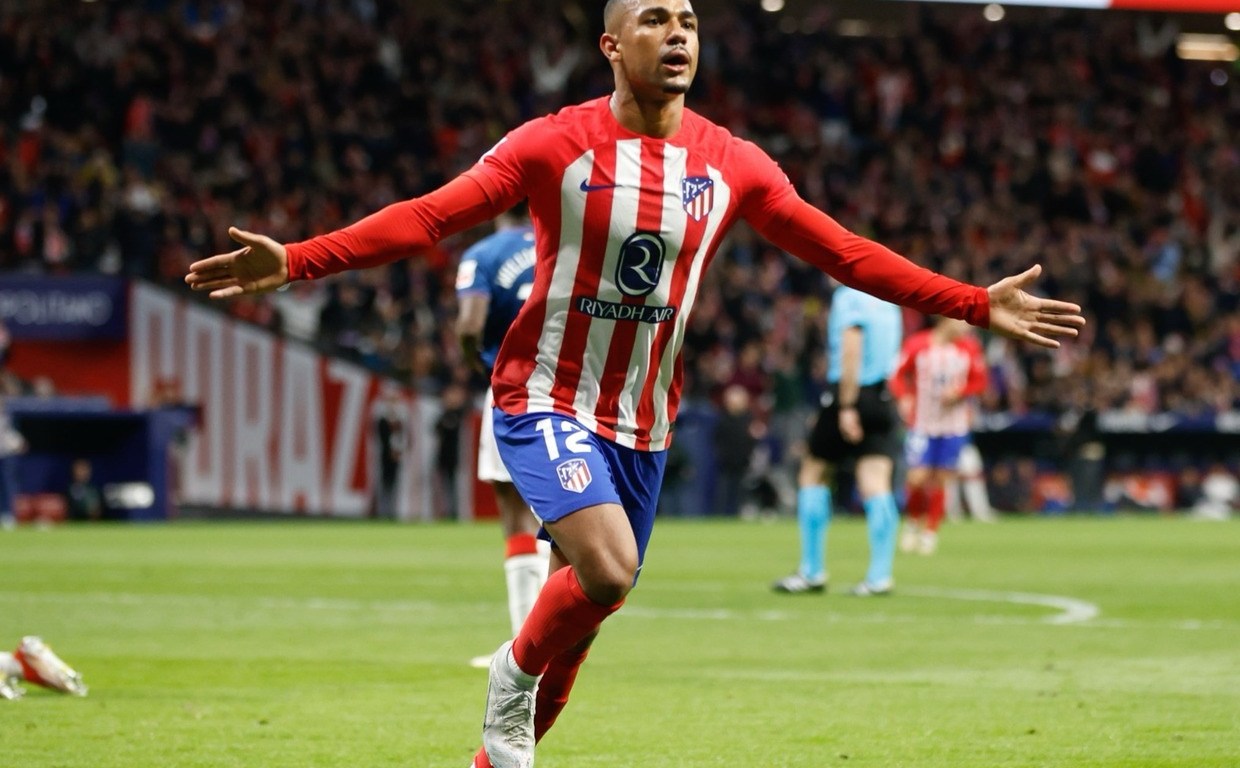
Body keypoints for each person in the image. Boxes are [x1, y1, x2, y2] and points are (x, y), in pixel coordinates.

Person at [185, 1, 1084, 764]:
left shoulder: (733, 164)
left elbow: (844, 252)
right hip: (543, 395)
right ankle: (510, 669)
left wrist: (974, 303)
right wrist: (298, 260)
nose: (679, 32)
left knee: (583, 630)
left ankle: (496, 753)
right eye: (656, 19)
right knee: (608, 572)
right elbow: (428, 218)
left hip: (643, 423)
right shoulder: (553, 144)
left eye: (688, 19)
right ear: (613, 45)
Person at [455, 209, 552, 666]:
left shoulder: (483, 254)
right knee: (560, 516)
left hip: (513, 387)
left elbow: (470, 325)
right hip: (570, 388)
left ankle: (526, 649)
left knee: (515, 515)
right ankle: (555, 639)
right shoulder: (562, 243)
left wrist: (476, 363)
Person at [772, 284, 903, 597]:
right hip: (883, 397)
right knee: (876, 483)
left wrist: (846, 405)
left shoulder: (849, 298)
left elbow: (851, 348)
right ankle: (880, 576)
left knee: (813, 473)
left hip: (851, 392)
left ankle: (812, 570)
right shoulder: (889, 300)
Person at [890, 317, 989, 555]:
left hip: (953, 426)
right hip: (922, 424)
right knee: (917, 477)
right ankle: (913, 522)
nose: (967, 326)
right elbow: (896, 375)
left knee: (941, 479)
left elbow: (980, 381)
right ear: (945, 319)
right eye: (962, 320)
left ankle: (930, 533)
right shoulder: (917, 344)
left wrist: (960, 392)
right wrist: (903, 397)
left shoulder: (969, 348)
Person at [0, 636, 88, 700]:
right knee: (31, 645)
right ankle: (68, 673)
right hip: (20, 669)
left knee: (31, 645)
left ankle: (68, 672)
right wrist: (9, 694)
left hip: (18, 666)